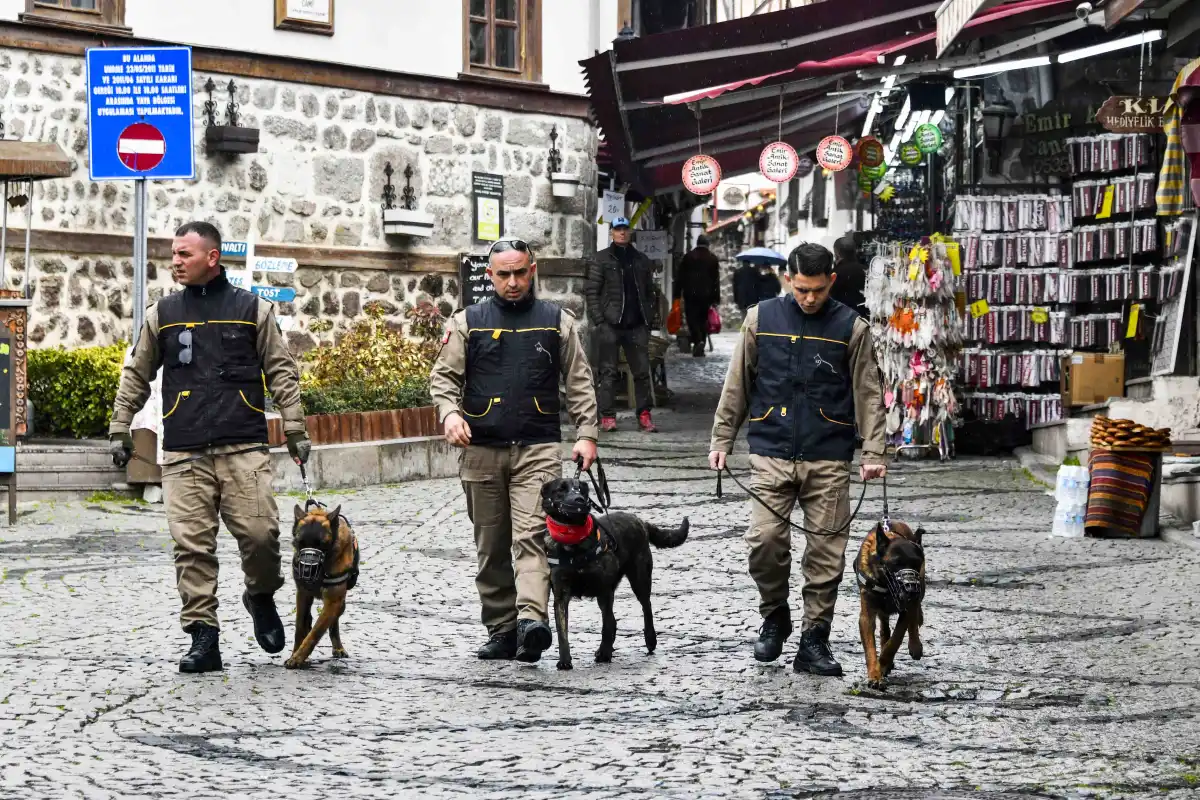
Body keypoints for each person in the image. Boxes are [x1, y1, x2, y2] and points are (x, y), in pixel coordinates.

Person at [108, 221, 311, 674]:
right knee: (191, 546)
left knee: (261, 537)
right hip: (184, 449)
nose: (175, 262)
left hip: (244, 446)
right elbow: (136, 373)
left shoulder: (253, 310)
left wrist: (295, 429)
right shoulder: (162, 313)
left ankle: (259, 596)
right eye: (174, 254)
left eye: (184, 254)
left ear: (212, 258)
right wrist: (120, 425)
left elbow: (281, 370)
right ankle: (204, 636)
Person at [708, 242, 887, 677]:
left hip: (828, 452)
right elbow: (738, 383)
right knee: (764, 541)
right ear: (788, 279)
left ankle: (814, 638)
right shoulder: (760, 318)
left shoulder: (852, 327)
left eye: (818, 290)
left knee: (827, 553)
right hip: (770, 448)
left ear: (832, 282)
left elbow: (868, 392)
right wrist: (722, 438)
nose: (810, 298)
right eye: (802, 289)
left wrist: (874, 450)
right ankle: (775, 615)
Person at [431, 237, 600, 663]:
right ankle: (502, 629)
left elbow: (578, 379)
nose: (512, 281)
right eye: (503, 274)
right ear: (490, 276)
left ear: (533, 270)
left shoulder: (556, 321)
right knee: (491, 546)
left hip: (537, 445)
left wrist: (587, 433)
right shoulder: (467, 321)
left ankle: (531, 622)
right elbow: (444, 380)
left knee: (532, 538)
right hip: (481, 448)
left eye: (520, 272)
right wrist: (450, 414)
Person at [585, 217, 659, 433]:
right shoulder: (601, 259)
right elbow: (592, 291)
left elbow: (649, 291)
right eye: (618, 229)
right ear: (612, 233)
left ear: (630, 232)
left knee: (642, 372)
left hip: (636, 325)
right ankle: (608, 417)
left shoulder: (641, 259)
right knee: (608, 372)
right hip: (611, 324)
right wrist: (600, 320)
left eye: (625, 229)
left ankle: (644, 416)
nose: (622, 233)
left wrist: (649, 317)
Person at [675, 234, 721, 357]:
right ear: (707, 244)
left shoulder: (688, 257)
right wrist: (716, 298)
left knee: (692, 319)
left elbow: (680, 277)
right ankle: (701, 343)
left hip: (690, 293)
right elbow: (716, 280)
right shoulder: (712, 259)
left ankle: (698, 341)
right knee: (703, 319)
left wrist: (677, 294)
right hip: (706, 295)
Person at [830, 235, 868, 319]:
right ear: (855, 251)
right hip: (864, 320)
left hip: (841, 319)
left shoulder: (834, 274)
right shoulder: (866, 270)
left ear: (837, 253)